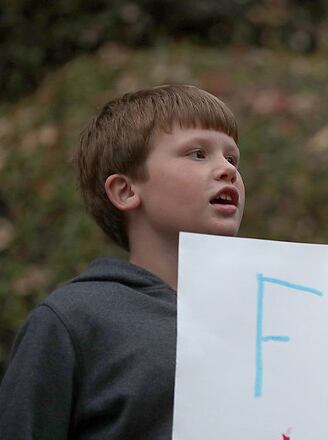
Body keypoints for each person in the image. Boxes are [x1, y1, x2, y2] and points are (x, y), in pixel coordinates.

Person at [0, 85, 245, 438]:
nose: (227, 170)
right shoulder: (72, 321)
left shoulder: (271, 315)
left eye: (233, 159)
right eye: (197, 154)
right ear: (126, 191)